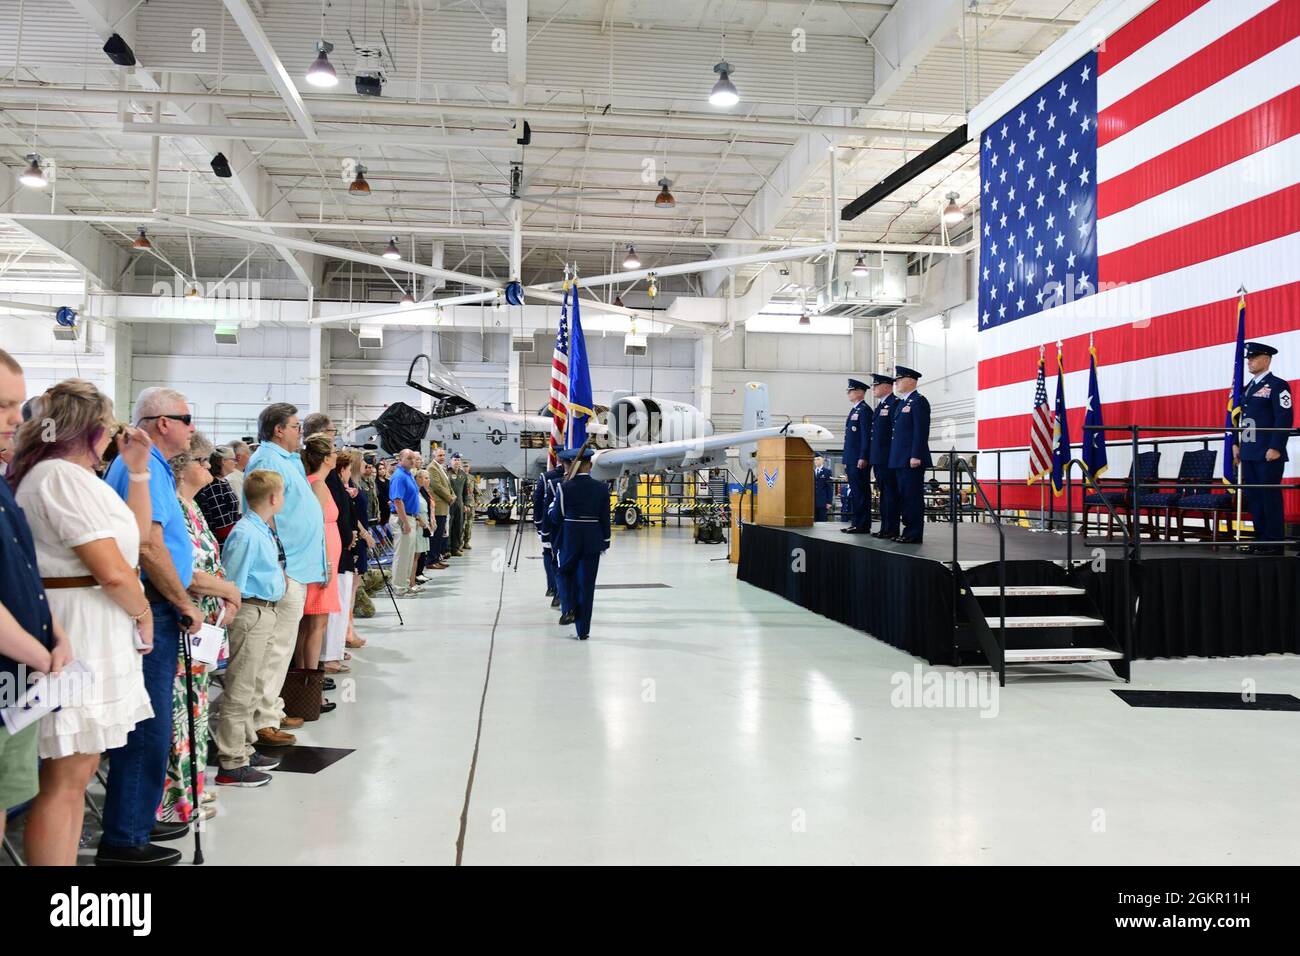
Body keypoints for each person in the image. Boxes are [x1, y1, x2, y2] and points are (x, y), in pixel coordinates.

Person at [9, 379, 152, 866]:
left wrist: (136, 473)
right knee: (66, 778)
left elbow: (137, 538)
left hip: (94, 618)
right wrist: (143, 611)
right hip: (82, 620)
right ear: (91, 429)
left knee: (78, 769)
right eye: (108, 428)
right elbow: (110, 568)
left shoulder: (73, 476)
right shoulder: (57, 478)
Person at [99, 386, 203, 865]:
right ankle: (124, 837)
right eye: (186, 417)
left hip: (159, 605)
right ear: (162, 422)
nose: (191, 427)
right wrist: (182, 599)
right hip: (154, 609)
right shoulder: (142, 469)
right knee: (148, 727)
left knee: (153, 724)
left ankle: (137, 818)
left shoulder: (151, 468)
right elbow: (147, 545)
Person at [159, 433, 246, 824]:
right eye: (201, 461)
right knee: (179, 710)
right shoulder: (174, 508)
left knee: (197, 705)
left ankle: (191, 784)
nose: (209, 468)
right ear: (182, 468)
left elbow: (212, 560)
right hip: (186, 624)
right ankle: (173, 797)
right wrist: (228, 590)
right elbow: (187, 573)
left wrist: (226, 598)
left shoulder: (192, 507)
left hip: (208, 625)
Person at [0, 351, 67, 853]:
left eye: (16, 406)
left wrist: (54, 632)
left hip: (17, 680)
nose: (13, 421)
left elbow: (23, 570)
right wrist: (39, 652)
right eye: (2, 406)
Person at [243, 403, 326, 748]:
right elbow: (263, 513)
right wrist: (276, 558)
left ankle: (271, 709)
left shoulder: (288, 459)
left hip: (300, 564)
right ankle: (262, 721)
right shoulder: (267, 460)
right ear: (278, 429)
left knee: (282, 645)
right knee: (275, 646)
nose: (300, 431)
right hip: (285, 565)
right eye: (295, 426)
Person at [214, 469, 288, 788]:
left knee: (254, 684)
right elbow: (232, 580)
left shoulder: (260, 528)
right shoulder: (245, 533)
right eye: (282, 494)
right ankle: (231, 761)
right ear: (273, 498)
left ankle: (245, 745)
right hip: (250, 611)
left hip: (266, 610)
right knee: (241, 687)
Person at [294, 434, 339, 715]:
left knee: (308, 627)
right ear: (325, 458)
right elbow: (316, 529)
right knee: (315, 628)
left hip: (322, 562)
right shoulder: (318, 485)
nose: (337, 454)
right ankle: (310, 689)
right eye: (333, 451)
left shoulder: (313, 483)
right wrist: (325, 565)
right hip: (321, 564)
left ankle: (303, 684)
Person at [1235, 342, 1293, 555]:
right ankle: (1261, 538)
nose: (1249, 361)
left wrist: (1276, 446)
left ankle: (1274, 541)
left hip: (1268, 451)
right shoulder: (1247, 387)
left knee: (1269, 497)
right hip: (1249, 451)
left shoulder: (1278, 385)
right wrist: (1235, 443)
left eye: (1254, 358)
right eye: (1249, 358)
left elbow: (1284, 416)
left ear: (1267, 359)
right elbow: (1239, 417)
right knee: (1254, 497)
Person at [548, 448, 611, 640]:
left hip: (570, 538)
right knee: (587, 584)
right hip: (593, 539)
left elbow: (556, 517)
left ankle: (568, 609)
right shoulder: (601, 488)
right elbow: (604, 518)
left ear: (569, 465)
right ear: (590, 466)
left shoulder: (564, 487)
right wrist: (605, 541)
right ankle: (583, 631)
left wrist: (552, 506)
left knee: (563, 572)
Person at [888, 366, 932, 544]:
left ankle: (913, 532)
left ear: (911, 381)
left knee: (912, 497)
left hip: (911, 459)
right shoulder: (903, 403)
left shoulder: (918, 401)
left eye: (900, 379)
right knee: (904, 496)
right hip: (900, 458)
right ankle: (908, 530)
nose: (896, 382)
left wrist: (916, 455)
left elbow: (920, 432)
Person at [869, 373, 900, 540]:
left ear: (887, 387)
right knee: (883, 495)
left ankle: (891, 528)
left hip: (888, 458)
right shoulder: (880, 406)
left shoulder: (894, 404)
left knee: (890, 495)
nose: (873, 388)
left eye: (876, 385)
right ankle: (885, 527)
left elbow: (894, 434)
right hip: (879, 458)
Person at [841, 378, 873, 534]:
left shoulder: (864, 410)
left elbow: (866, 436)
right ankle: (857, 522)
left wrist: (863, 456)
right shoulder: (855, 410)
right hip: (851, 457)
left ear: (860, 392)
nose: (848, 393)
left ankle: (862, 524)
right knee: (856, 492)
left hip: (858, 459)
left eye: (851, 390)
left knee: (861, 492)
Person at [389, 449, 423, 594]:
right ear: (400, 460)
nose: (412, 461)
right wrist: (405, 522)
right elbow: (397, 500)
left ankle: (406, 583)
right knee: (402, 555)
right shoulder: (399, 476)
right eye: (409, 458)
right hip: (402, 518)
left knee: (408, 555)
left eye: (413, 458)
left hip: (410, 517)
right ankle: (398, 587)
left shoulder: (408, 475)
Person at [194, 445, 241, 544]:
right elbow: (222, 527)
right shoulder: (214, 486)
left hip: (230, 538)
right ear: (223, 461)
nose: (236, 463)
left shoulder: (223, 482)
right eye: (233, 459)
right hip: (223, 543)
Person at [534, 460, 565, 606]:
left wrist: (539, 524)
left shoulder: (547, 477)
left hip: (551, 524)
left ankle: (552, 587)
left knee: (549, 554)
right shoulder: (554, 480)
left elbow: (538, 502)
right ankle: (560, 591)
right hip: (564, 525)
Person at [427, 446, 455, 562]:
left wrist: (453, 494)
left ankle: (437, 558)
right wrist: (450, 498)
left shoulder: (441, 468)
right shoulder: (432, 468)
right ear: (434, 456)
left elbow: (447, 485)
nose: (442, 457)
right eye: (440, 455)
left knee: (440, 536)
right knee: (436, 535)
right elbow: (437, 486)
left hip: (444, 505)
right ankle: (432, 560)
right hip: (438, 506)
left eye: (443, 455)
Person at [447, 453, 467, 557]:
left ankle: (456, 548)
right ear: (451, 461)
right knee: (449, 526)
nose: (457, 462)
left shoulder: (463, 474)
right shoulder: (447, 473)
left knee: (458, 526)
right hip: (449, 503)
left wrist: (465, 504)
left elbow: (465, 492)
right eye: (455, 460)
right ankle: (447, 548)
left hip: (459, 503)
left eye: (458, 460)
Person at [226, 439, 251, 508]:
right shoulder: (233, 479)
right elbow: (241, 508)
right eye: (248, 453)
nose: (250, 456)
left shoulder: (239, 475)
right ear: (238, 457)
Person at [461, 458, 478, 550]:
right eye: (463, 466)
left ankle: (466, 542)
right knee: (460, 524)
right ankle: (459, 542)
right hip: (462, 504)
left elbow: (476, 491)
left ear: (469, 468)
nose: (465, 468)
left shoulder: (472, 478)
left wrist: (476, 501)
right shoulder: (459, 477)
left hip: (471, 504)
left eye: (466, 466)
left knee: (469, 524)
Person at [812, 455, 833, 522]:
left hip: (823, 502)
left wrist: (829, 502)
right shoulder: (811, 472)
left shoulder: (827, 472)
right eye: (815, 459)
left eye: (818, 459)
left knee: (822, 521)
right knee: (813, 522)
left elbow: (829, 488)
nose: (816, 461)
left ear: (822, 460)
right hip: (813, 502)